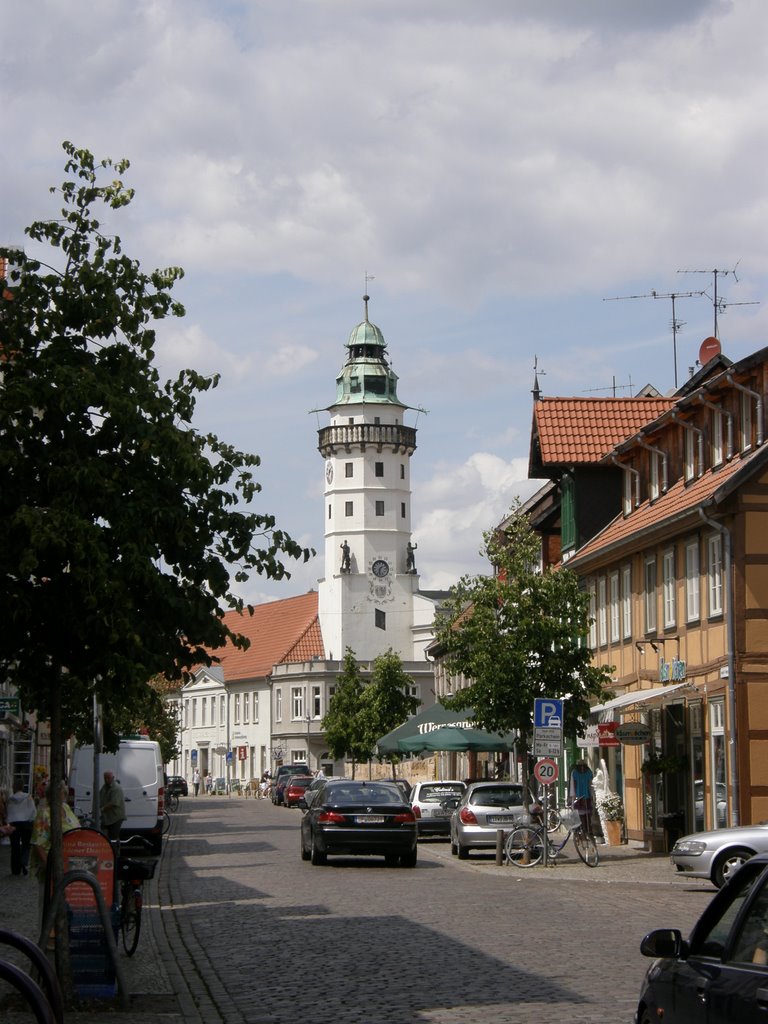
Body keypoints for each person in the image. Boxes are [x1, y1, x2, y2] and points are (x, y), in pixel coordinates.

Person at [6, 778, 36, 876]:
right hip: (26, 824)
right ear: (22, 787)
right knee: (26, 846)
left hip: (14, 824)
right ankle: (24, 863)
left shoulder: (10, 799)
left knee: (15, 847)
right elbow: (33, 811)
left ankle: (15, 869)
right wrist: (31, 820)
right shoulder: (28, 797)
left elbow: (9, 812)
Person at [99, 770, 126, 841]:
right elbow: (100, 797)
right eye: (105, 778)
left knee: (113, 838)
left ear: (113, 777)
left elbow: (114, 803)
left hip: (115, 817)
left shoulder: (116, 788)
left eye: (108, 778)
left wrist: (102, 809)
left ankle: (115, 851)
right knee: (103, 836)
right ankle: (105, 850)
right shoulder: (104, 787)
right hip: (106, 818)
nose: (107, 780)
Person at [569, 760, 595, 834]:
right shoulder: (575, 773)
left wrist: (592, 795)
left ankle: (586, 829)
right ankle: (582, 829)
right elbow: (573, 785)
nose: (582, 768)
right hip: (579, 796)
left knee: (586, 814)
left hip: (585, 796)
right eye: (581, 766)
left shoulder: (588, 772)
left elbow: (591, 784)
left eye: (583, 766)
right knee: (581, 814)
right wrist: (573, 796)